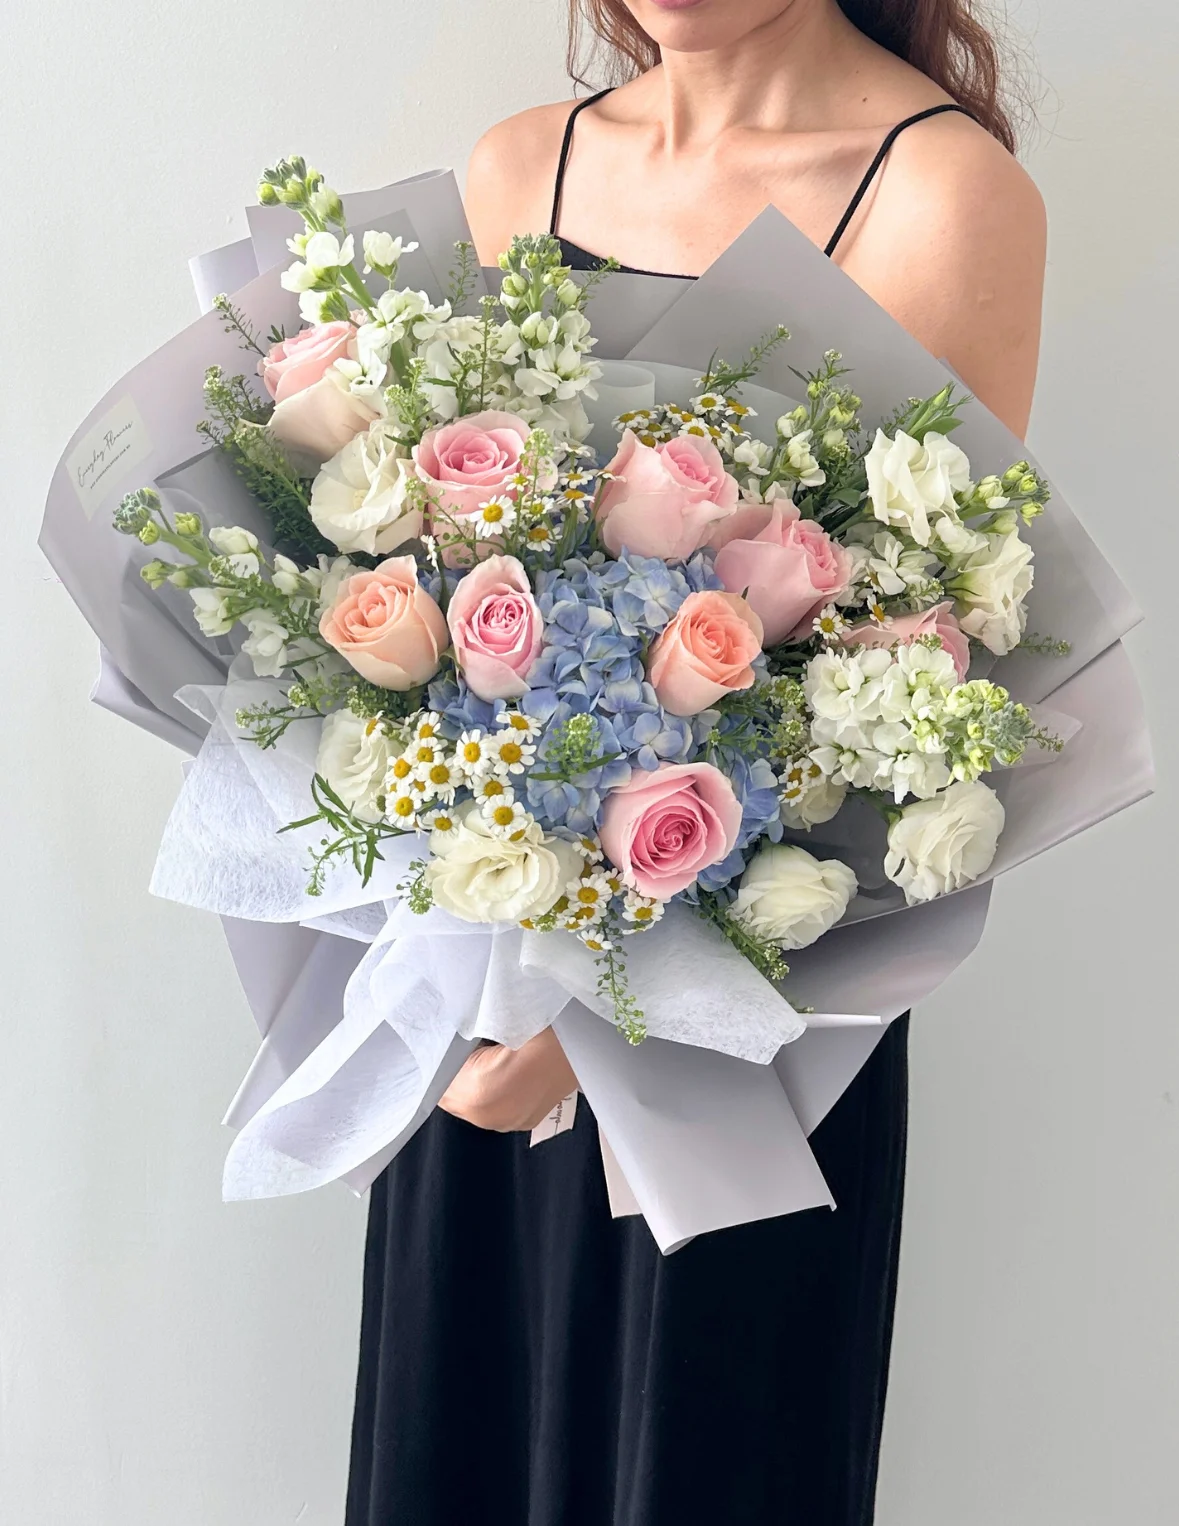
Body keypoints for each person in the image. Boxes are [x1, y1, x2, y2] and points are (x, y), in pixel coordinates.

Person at [346, 3, 1045, 1522]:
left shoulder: (934, 193)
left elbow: (903, 707)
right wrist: (487, 954)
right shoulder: (517, 169)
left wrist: (595, 1021)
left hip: (752, 1042)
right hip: (484, 993)